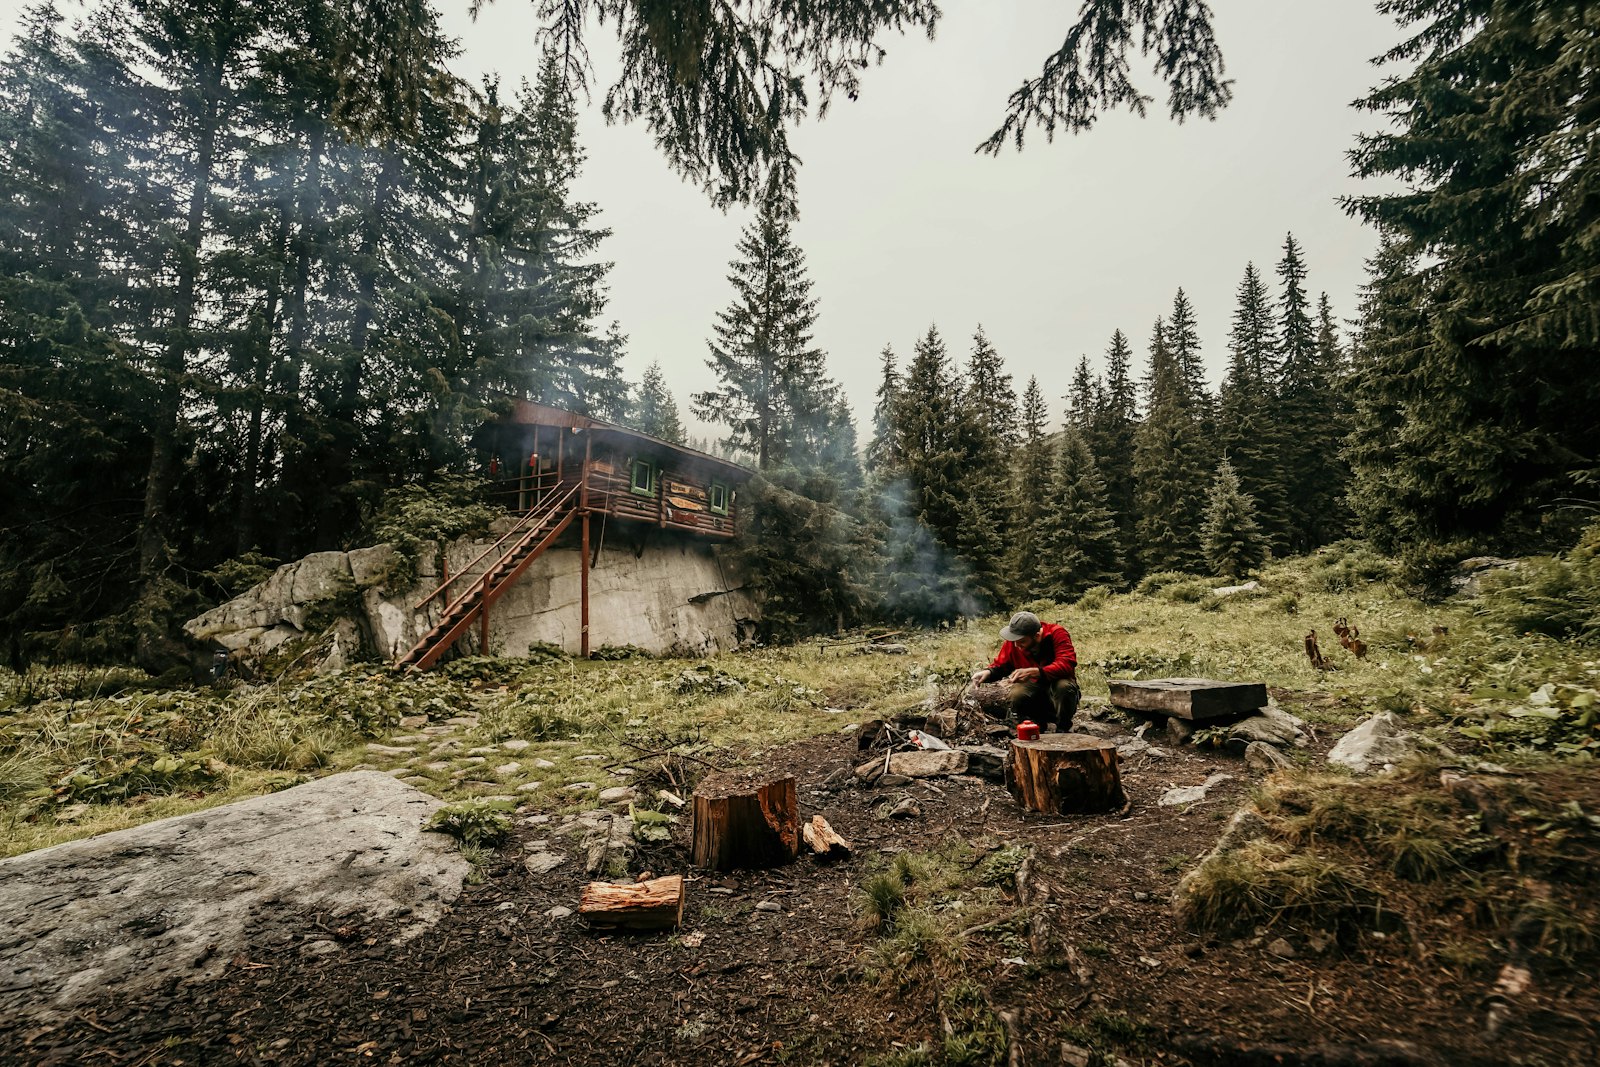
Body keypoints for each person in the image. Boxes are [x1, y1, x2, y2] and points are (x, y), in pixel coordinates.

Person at [970, 610, 1080, 731]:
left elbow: (1067, 663)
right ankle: (1035, 724)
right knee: (1017, 693)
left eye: (1022, 641)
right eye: (1014, 641)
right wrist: (988, 672)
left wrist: (1037, 672)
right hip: (1035, 688)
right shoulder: (1016, 640)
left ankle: (1063, 728)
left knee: (1063, 687)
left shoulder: (1057, 633)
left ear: (1037, 636)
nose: (1016, 645)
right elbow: (1002, 665)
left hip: (1058, 685)